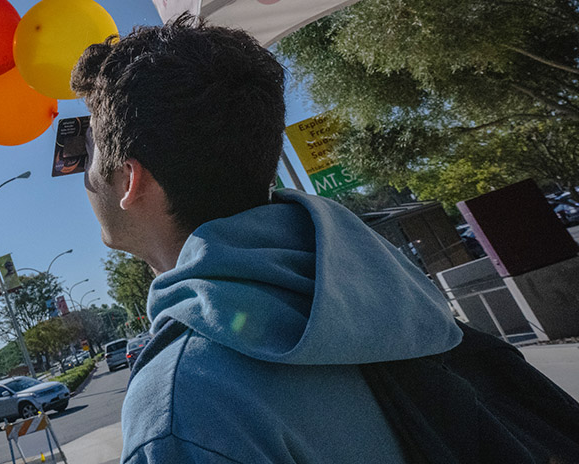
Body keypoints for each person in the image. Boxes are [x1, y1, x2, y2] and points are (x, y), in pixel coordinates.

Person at [70, 15, 463, 463]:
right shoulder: (387, 295)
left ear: (129, 181)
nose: (82, 178)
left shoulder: (178, 413)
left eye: (87, 156)